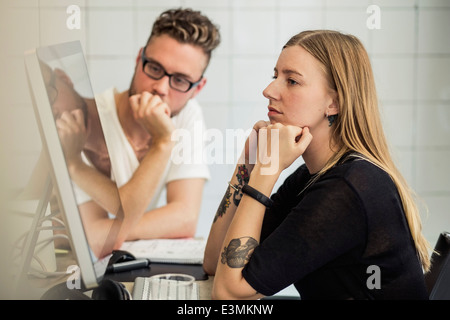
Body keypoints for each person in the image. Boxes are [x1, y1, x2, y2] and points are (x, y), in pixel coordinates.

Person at [203, 30, 431, 300]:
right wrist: (246, 166)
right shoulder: (309, 177)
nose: (269, 90)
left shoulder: (348, 188)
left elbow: (229, 295)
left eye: (292, 81)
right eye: (275, 76)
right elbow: (216, 262)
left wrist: (267, 170)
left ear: (333, 102)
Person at [40, 8, 221, 258]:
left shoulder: (187, 114)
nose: (160, 88)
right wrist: (163, 142)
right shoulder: (77, 124)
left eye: (180, 80)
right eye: (154, 68)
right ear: (139, 59)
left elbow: (185, 217)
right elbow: (98, 240)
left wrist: (116, 230)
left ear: (197, 88)